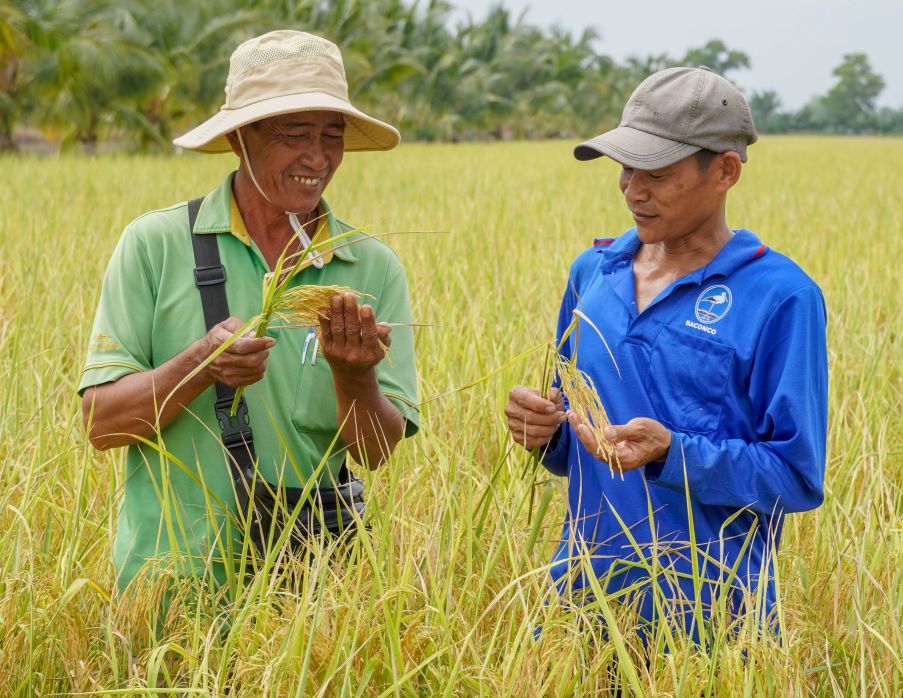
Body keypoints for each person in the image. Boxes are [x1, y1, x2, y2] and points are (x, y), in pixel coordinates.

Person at [80, 31, 418, 592]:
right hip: (172, 579)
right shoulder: (156, 245)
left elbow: (376, 452)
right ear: (240, 138)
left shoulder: (371, 267)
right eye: (294, 135)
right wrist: (199, 366)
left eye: (332, 136)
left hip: (310, 595)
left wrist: (355, 376)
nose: (319, 157)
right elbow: (101, 425)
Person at [505, 67, 827, 636]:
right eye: (626, 168)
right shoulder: (593, 274)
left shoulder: (780, 296)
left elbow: (796, 478)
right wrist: (543, 429)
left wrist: (671, 452)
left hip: (712, 623)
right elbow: (571, 446)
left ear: (725, 170)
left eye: (656, 172)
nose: (633, 189)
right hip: (581, 607)